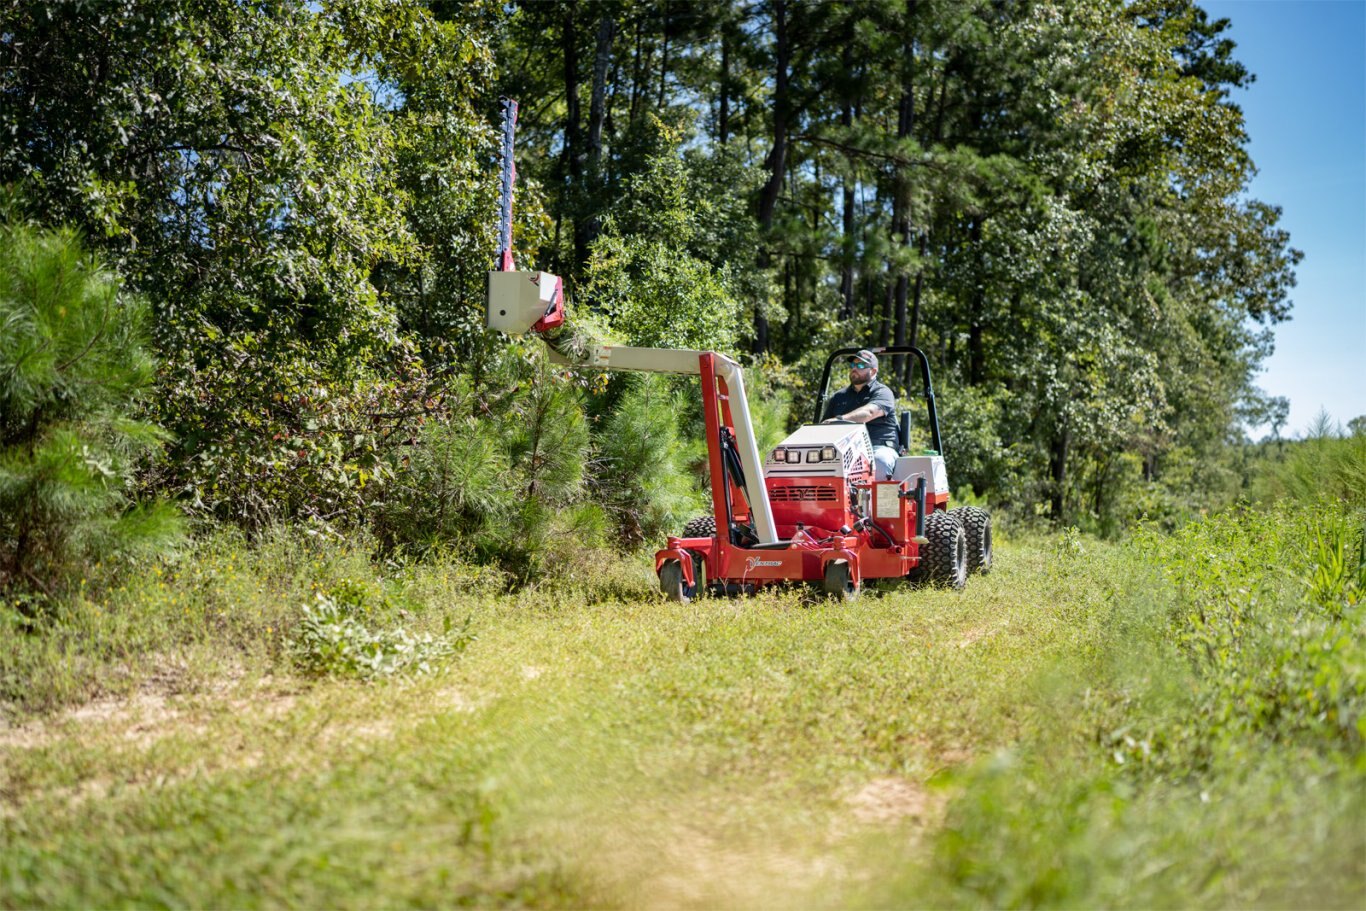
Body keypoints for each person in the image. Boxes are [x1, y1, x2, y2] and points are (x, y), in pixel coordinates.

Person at [821, 349, 900, 480]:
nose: (854, 369)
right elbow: (824, 426)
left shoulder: (883, 392)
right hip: (844, 450)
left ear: (873, 371)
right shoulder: (839, 397)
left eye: (861, 366)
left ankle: (881, 501)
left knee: (879, 462)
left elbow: (868, 412)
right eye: (853, 365)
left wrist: (840, 419)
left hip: (877, 447)